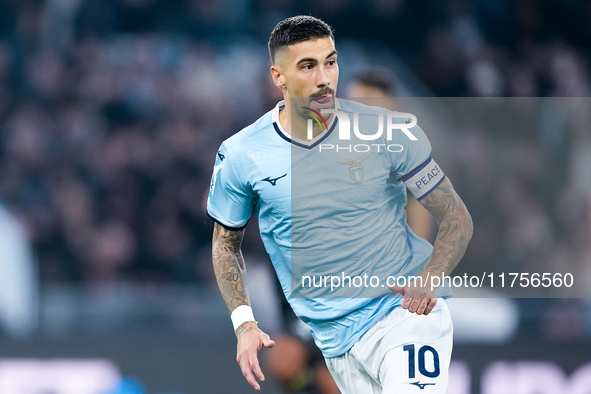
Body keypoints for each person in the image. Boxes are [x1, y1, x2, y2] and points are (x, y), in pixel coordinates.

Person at [207, 15, 472, 393]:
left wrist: (431, 275)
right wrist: (245, 322)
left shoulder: (390, 132)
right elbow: (224, 243)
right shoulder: (241, 154)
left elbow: (456, 217)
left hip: (403, 317)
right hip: (336, 342)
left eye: (330, 62)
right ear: (278, 77)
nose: (324, 78)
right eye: (308, 66)